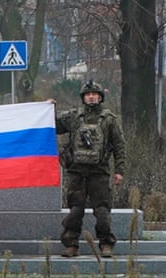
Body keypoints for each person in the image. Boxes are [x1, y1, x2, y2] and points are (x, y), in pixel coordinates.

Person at [48, 80, 126, 258]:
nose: (91, 97)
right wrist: (48, 109)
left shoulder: (109, 120)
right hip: (76, 172)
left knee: (102, 211)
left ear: (100, 97)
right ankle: (71, 245)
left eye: (95, 94)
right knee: (75, 211)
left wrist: (119, 170)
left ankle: (106, 243)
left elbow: (120, 146)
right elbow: (52, 125)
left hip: (100, 172)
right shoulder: (73, 116)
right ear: (83, 97)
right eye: (88, 94)